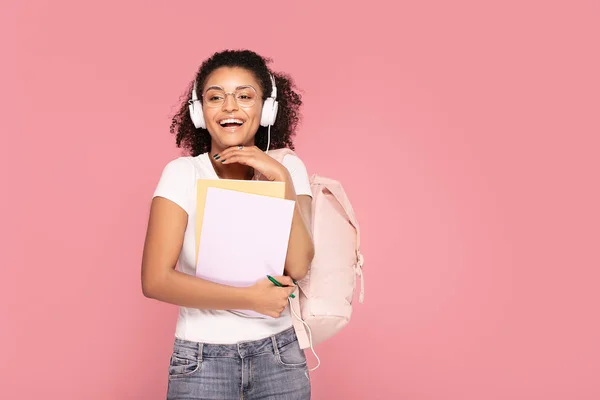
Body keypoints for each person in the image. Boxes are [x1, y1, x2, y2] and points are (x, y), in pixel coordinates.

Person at [141, 49, 314, 400]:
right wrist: (249, 299)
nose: (230, 107)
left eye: (245, 96)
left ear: (267, 109)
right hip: (202, 360)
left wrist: (278, 177)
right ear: (198, 111)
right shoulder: (183, 174)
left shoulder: (288, 168)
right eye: (216, 97)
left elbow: (298, 264)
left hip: (279, 356)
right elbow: (155, 279)